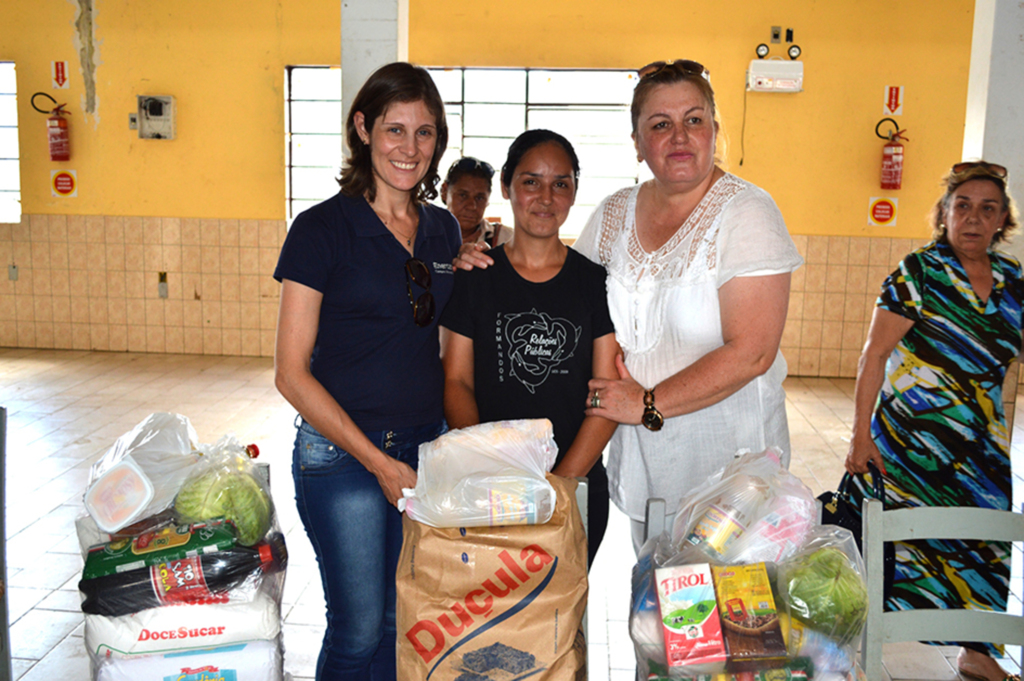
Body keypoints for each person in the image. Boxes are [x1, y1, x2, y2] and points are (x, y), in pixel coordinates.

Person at [273, 62, 459, 681]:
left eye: (425, 133)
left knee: (396, 622)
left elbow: (444, 330)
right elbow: (291, 374)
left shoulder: (442, 228)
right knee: (356, 628)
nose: (410, 149)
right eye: (394, 130)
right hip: (342, 458)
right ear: (362, 128)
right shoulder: (321, 229)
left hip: (421, 448)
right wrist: (380, 464)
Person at [844, 161, 1021, 681]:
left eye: (987, 208)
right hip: (909, 443)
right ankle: (863, 648)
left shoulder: (1014, 281)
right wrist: (859, 435)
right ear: (943, 214)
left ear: (1002, 219)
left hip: (983, 447)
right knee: (900, 548)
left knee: (980, 545)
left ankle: (977, 654)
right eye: (961, 206)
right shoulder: (917, 272)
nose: (972, 218)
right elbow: (873, 357)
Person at [440, 130, 619, 566]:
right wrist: (494, 471)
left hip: (574, 484)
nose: (546, 196)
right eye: (530, 181)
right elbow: (457, 380)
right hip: (489, 486)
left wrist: (560, 485)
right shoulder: (475, 276)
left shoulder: (596, 282)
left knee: (560, 624)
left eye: (561, 183)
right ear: (506, 186)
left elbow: (606, 391)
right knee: (493, 621)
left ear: (575, 191)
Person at [440, 156, 513, 248]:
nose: (471, 206)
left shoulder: (506, 239)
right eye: (463, 195)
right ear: (444, 192)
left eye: (479, 198)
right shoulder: (424, 234)